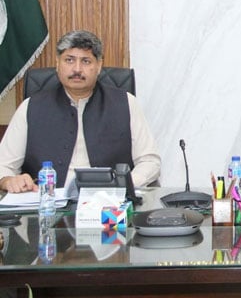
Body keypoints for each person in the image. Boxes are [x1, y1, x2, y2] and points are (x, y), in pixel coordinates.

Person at [0, 30, 160, 193]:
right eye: (69, 60)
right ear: (58, 64)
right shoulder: (30, 107)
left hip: (110, 204)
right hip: (47, 204)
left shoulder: (126, 103)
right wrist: (9, 180)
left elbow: (149, 161)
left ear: (98, 66)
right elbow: (3, 165)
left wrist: (125, 185)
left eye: (86, 61)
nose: (77, 69)